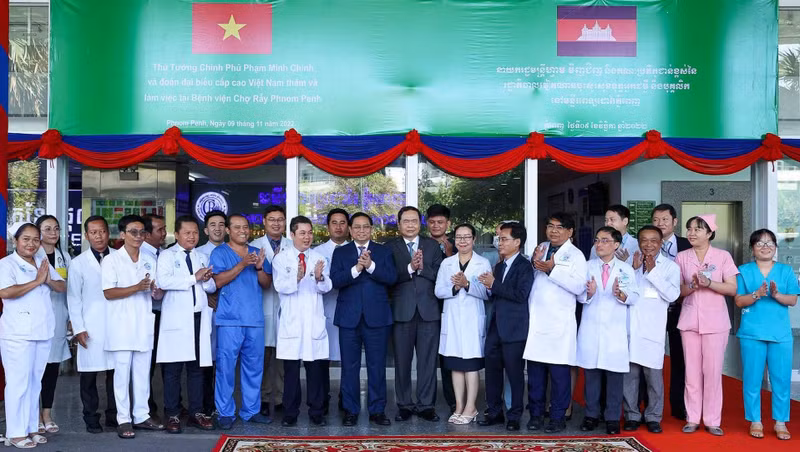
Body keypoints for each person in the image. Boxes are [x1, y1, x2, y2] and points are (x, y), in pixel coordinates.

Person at [0, 223, 65, 448]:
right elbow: (5, 292)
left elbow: (61, 286)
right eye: (26, 239)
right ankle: (15, 432)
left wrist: (47, 280)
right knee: (18, 383)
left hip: (42, 330)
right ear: (16, 241)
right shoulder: (6, 264)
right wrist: (37, 281)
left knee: (34, 383)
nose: (31, 244)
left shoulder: (41, 261)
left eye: (35, 239)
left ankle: (31, 427)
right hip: (17, 333)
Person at [102, 215, 165, 439]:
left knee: (142, 373)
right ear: (122, 234)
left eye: (142, 232)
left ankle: (141, 415)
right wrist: (136, 287)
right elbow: (108, 292)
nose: (138, 236)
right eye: (133, 232)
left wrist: (156, 291)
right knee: (121, 374)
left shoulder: (149, 259)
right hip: (120, 325)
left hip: (143, 323)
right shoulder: (111, 260)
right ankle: (123, 419)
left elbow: (156, 291)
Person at [331, 212, 397, 427]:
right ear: (350, 230)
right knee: (349, 367)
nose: (361, 230)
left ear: (371, 229)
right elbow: (335, 281)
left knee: (377, 366)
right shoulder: (341, 252)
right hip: (348, 317)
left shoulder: (383, 251)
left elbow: (392, 278)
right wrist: (357, 269)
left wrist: (371, 266)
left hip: (377, 318)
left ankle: (377, 410)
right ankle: (350, 410)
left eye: (365, 226)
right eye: (357, 227)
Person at [523, 213, 587, 433]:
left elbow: (579, 287)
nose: (553, 231)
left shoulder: (576, 255)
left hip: (559, 325)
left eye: (559, 227)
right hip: (537, 323)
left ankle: (558, 417)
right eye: (550, 226)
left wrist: (552, 269)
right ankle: (536, 415)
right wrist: (534, 264)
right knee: (535, 376)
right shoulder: (541, 248)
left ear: (570, 231)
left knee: (560, 377)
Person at [675, 214, 738, 436]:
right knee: (691, 372)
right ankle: (692, 418)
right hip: (689, 321)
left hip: (716, 322)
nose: (691, 233)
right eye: (689, 229)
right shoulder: (681, 257)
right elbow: (677, 292)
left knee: (712, 372)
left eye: (698, 229)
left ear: (710, 233)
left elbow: (732, 288)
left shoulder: (723, 256)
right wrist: (692, 286)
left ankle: (712, 420)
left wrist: (709, 283)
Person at [210, 214, 273, 429]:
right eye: (237, 227)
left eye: (245, 227)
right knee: (226, 368)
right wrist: (242, 264)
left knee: (254, 368)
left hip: (254, 319)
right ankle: (225, 412)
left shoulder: (257, 252)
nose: (242, 231)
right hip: (229, 320)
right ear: (228, 230)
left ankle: (251, 410)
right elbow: (218, 281)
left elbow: (266, 284)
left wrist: (258, 267)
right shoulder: (219, 253)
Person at [734, 229, 797, 441]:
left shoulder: (785, 271)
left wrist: (777, 294)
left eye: (770, 243)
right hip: (752, 333)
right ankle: (755, 420)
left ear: (775, 247)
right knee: (752, 379)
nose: (765, 247)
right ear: (752, 248)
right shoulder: (743, 271)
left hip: (780, 334)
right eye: (760, 243)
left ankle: (780, 422)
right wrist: (756, 294)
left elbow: (792, 300)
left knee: (781, 380)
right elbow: (739, 301)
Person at [156, 216, 217, 433]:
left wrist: (207, 279)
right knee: (173, 369)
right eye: (187, 233)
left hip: (198, 317)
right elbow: (163, 281)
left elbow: (210, 287)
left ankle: (196, 413)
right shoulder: (166, 256)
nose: (192, 237)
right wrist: (194, 277)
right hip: (176, 319)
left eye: (195, 233)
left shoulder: (201, 256)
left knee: (197, 369)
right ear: (177, 234)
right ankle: (172, 414)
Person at [578, 226, 639, 435]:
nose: (599, 244)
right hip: (591, 327)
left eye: (605, 240)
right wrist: (589, 293)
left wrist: (622, 295)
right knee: (592, 375)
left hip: (615, 330)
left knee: (614, 377)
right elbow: (578, 294)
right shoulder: (586, 266)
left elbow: (634, 296)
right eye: (597, 240)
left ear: (616, 245)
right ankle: (591, 415)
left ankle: (613, 418)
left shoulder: (626, 269)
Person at [273, 216, 333, 426]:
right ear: (292, 235)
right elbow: (280, 286)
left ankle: (317, 412)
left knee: (315, 371)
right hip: (292, 322)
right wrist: (297, 277)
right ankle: (290, 413)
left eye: (309, 233)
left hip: (313, 321)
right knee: (291, 373)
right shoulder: (281, 258)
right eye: (302, 233)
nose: (307, 237)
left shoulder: (318, 258)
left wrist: (319, 277)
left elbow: (327, 287)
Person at [387, 206, 443, 422]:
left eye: (414, 221)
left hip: (429, 311)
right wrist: (409, 268)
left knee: (427, 362)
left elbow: (440, 274)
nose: (410, 225)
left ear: (420, 224)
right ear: (399, 224)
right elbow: (387, 277)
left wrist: (421, 268)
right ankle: (404, 404)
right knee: (402, 361)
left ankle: (426, 405)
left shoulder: (432, 246)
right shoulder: (389, 247)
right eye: (406, 221)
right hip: (401, 311)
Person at [623, 226, 680, 434]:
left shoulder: (670, 267)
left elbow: (672, 295)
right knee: (630, 378)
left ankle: (653, 417)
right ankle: (631, 415)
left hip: (653, 330)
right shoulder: (631, 264)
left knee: (654, 379)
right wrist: (633, 270)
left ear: (661, 243)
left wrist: (653, 270)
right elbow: (623, 292)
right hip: (631, 328)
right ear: (638, 243)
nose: (648, 245)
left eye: (653, 240)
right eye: (644, 240)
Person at [477, 221, 534, 431]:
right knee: (492, 373)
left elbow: (520, 295)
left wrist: (494, 285)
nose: (499, 243)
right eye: (498, 239)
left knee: (515, 375)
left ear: (517, 242)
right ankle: (494, 412)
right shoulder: (500, 266)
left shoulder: (525, 266)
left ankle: (514, 416)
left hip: (514, 330)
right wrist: (489, 286)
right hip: (495, 328)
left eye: (504, 239)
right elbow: (497, 294)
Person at [434, 223, 491, 425]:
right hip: (452, 320)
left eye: (467, 237)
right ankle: (459, 406)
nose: (463, 241)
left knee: (471, 366)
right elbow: (438, 291)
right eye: (459, 237)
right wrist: (455, 288)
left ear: (474, 239)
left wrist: (467, 284)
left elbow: (487, 293)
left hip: (472, 320)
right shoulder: (446, 263)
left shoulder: (483, 263)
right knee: (456, 366)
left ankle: (471, 407)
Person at [66, 215, 117, 434]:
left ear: (108, 232)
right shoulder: (78, 263)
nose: (99, 236)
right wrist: (78, 328)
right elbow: (73, 298)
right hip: (91, 326)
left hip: (116, 325)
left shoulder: (120, 257)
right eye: (93, 232)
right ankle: (91, 418)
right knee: (89, 375)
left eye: (102, 231)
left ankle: (114, 416)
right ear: (86, 235)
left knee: (116, 374)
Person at [651, 203, 691, 421]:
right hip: (653, 310)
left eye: (665, 219)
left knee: (680, 358)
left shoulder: (687, 245)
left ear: (674, 222)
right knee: (649, 358)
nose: (660, 224)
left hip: (680, 308)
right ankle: (647, 407)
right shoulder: (646, 244)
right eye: (656, 220)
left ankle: (679, 406)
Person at [250, 205, 290, 416]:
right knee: (262, 359)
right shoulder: (254, 247)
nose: (276, 223)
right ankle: (264, 399)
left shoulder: (292, 246)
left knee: (284, 359)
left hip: (286, 310)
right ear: (264, 222)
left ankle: (282, 398)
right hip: (261, 308)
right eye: (272, 219)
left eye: (280, 219)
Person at [34, 215, 71, 435]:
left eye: (56, 228)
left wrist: (71, 317)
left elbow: (69, 289)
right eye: (47, 229)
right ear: (38, 232)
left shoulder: (64, 256)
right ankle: (34, 415)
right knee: (35, 369)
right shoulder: (31, 256)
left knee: (51, 369)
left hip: (57, 317)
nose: (53, 233)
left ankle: (46, 414)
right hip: (36, 318)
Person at [313, 208, 350, 414]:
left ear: (348, 226)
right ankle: (323, 397)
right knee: (323, 358)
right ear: (327, 226)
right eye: (334, 222)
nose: (338, 227)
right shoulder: (318, 252)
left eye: (342, 222)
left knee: (348, 357)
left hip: (349, 310)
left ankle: (346, 396)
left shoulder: (355, 250)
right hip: (325, 310)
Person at [426, 203, 457, 413]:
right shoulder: (421, 244)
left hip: (451, 307)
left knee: (449, 354)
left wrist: (449, 254)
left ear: (448, 224)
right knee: (429, 356)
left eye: (440, 222)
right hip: (427, 306)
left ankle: (453, 399)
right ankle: (426, 400)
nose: (436, 226)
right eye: (432, 222)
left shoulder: (458, 244)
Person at [196, 210, 227, 417]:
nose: (217, 228)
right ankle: (205, 405)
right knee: (206, 360)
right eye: (213, 225)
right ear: (206, 230)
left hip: (228, 311)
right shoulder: (198, 253)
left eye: (221, 224)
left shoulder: (233, 251)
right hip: (206, 312)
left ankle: (222, 405)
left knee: (224, 360)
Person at [141, 213, 167, 422]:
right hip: (147, 315)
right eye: (160, 230)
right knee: (146, 364)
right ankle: (146, 407)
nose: (165, 233)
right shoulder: (141, 255)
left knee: (167, 362)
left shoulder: (164, 254)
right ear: (147, 234)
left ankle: (170, 405)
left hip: (165, 314)